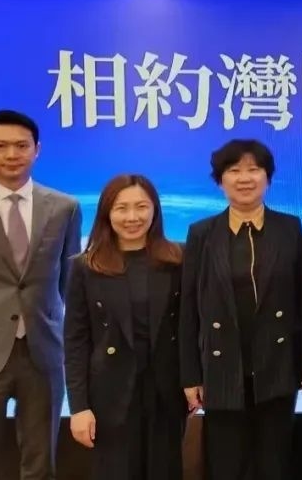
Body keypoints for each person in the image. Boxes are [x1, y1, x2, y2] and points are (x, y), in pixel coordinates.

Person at [0, 109, 82, 480]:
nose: (12, 154)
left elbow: (70, 283)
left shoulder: (64, 208)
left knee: (40, 462)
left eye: (21, 145)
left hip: (43, 352)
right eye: (1, 146)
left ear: (37, 149)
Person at [179, 139, 302, 480]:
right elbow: (188, 309)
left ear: (268, 177)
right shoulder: (202, 233)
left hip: (277, 366)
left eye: (254, 169)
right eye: (234, 170)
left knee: (274, 463)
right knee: (226, 464)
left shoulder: (289, 228)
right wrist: (191, 376)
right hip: (221, 369)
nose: (245, 178)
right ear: (221, 180)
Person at [64, 174, 187, 480]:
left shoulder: (178, 258)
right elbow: (76, 342)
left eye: (141, 207)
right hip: (110, 394)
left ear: (155, 210)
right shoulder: (85, 267)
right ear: (107, 213)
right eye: (122, 208)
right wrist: (78, 407)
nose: (132, 217)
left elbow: (190, 327)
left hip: (166, 392)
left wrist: (194, 383)